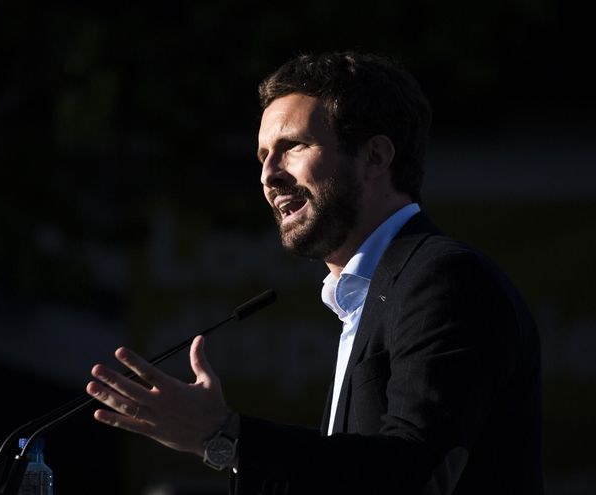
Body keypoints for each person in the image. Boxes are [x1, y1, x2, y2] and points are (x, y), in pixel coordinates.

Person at [85, 52, 543, 494]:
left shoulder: (442, 278)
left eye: (293, 147)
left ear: (376, 157)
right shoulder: (368, 296)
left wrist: (224, 435)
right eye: (263, 155)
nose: (268, 175)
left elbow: (412, 471)